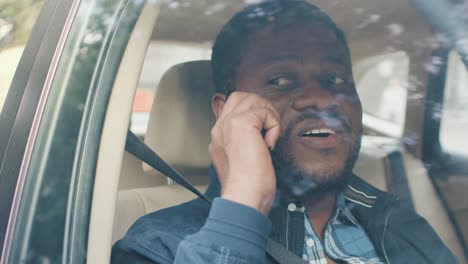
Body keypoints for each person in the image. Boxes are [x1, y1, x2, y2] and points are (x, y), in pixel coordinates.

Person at [112, 1, 457, 263]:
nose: (320, 98)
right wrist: (245, 200)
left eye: (335, 80)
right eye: (280, 80)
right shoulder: (154, 245)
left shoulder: (397, 222)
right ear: (225, 111)